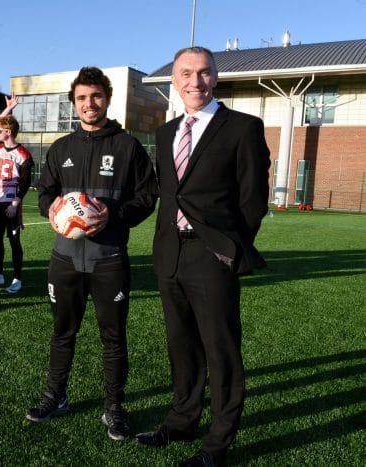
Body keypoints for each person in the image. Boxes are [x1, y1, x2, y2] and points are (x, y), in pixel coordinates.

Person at [135, 47, 270, 466]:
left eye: (205, 73)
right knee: (182, 346)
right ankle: (181, 419)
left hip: (213, 257)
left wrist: (227, 247)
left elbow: (253, 201)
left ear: (216, 77)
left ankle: (218, 443)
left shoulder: (243, 127)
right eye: (187, 73)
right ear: (175, 80)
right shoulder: (166, 131)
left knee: (221, 349)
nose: (196, 81)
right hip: (170, 255)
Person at [27, 66, 158, 442]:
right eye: (82, 98)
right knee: (62, 331)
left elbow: (147, 197)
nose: (89, 104)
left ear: (107, 98)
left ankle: (114, 408)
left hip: (108, 259)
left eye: (96, 96)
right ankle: (56, 396)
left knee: (113, 337)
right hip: (64, 258)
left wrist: (114, 214)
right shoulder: (62, 148)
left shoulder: (127, 146)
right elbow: (45, 193)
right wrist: (51, 208)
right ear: (74, 103)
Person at [0, 115, 34, 293]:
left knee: (14, 241)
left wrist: (15, 202)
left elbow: (26, 181)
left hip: (11, 202)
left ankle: (17, 278)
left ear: (8, 132)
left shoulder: (23, 154)